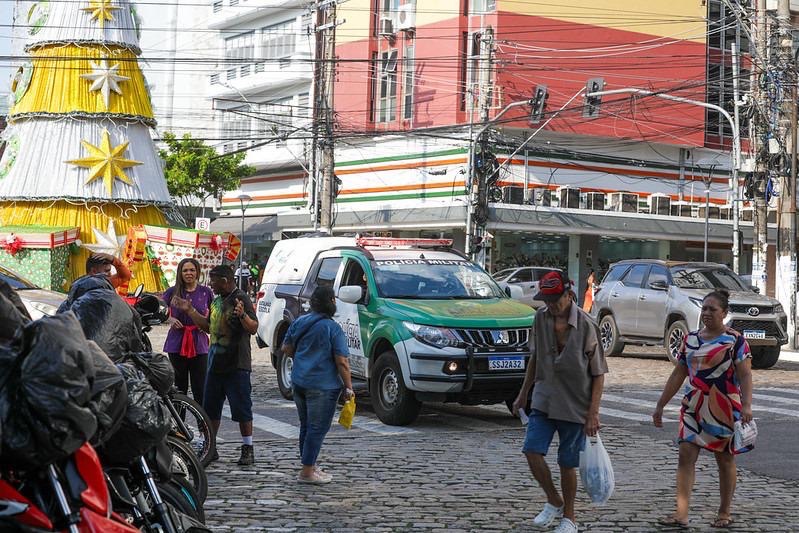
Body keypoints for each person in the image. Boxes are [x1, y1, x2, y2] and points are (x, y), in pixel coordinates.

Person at [511, 270, 608, 533]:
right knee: (532, 450)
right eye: (547, 300)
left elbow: (599, 373)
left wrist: (593, 413)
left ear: (569, 295)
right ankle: (554, 499)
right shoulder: (540, 318)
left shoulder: (587, 325)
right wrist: (523, 393)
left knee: (567, 462)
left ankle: (570, 518)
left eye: (555, 299)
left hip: (575, 404)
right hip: (544, 397)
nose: (551, 305)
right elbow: (535, 357)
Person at [652, 289, 753, 529]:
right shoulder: (691, 339)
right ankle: (681, 513)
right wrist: (660, 404)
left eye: (712, 309)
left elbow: (745, 375)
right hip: (693, 406)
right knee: (685, 454)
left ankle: (724, 512)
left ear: (724, 313)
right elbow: (679, 373)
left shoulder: (735, 341)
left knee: (724, 459)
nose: (707, 313)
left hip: (723, 407)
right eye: (704, 308)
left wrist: (747, 405)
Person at [172, 264, 258, 466]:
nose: (210, 284)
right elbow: (208, 327)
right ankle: (210, 447)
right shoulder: (217, 301)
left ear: (225, 281)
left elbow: (253, 328)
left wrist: (243, 315)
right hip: (215, 364)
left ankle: (248, 448)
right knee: (210, 409)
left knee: (242, 409)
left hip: (236, 364)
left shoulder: (241, 298)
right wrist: (190, 310)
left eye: (213, 280)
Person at [281, 286, 353, 484]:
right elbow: (342, 362)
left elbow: (286, 348)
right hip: (323, 386)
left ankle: (310, 465)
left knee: (306, 426)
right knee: (317, 428)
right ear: (331, 301)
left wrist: (303, 360)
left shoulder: (300, 321)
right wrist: (348, 387)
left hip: (299, 382)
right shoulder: (332, 328)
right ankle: (307, 472)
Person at [163, 258, 214, 404]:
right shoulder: (172, 292)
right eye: (185, 270)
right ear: (180, 273)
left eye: (192, 270)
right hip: (176, 343)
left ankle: (202, 418)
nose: (189, 273)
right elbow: (158, 310)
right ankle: (179, 418)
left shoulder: (206, 292)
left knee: (201, 387)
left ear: (198, 272)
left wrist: (204, 323)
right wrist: (169, 319)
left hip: (200, 344)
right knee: (179, 387)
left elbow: (214, 314)